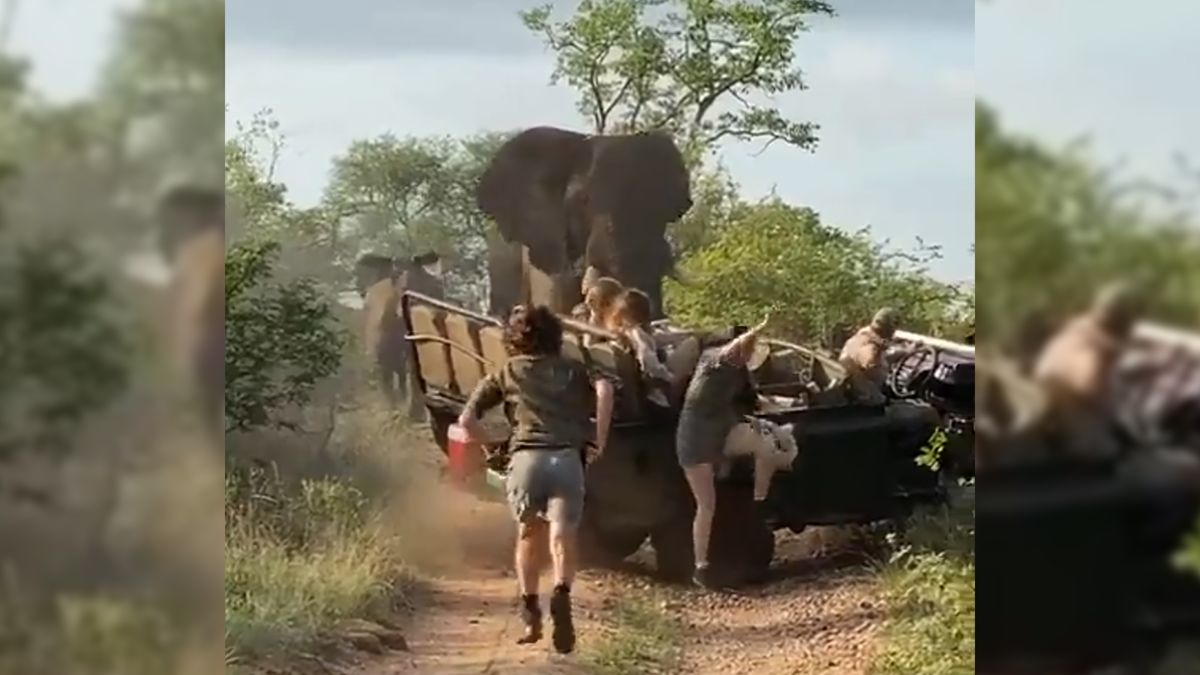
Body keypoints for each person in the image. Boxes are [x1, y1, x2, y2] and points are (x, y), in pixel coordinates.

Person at [456, 305, 615, 654]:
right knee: (562, 532)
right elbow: (604, 389)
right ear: (556, 335)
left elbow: (466, 420)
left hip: (526, 459)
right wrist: (598, 440)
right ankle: (561, 592)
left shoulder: (508, 371)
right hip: (567, 457)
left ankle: (531, 612)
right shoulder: (574, 370)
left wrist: (492, 446)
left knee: (528, 534)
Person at [675, 314, 771, 588]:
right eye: (747, 349)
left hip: (720, 435)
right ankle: (701, 567)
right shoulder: (711, 360)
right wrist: (757, 329)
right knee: (706, 505)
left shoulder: (738, 372)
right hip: (695, 439)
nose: (749, 354)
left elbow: (756, 401)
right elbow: (730, 351)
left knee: (764, 443)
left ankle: (760, 499)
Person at [1032, 283, 1140, 458]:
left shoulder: (1075, 330)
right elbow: (1089, 386)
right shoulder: (1098, 352)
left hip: (1048, 407)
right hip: (1072, 431)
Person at [609, 288, 701, 407]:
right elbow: (648, 360)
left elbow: (663, 338)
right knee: (695, 343)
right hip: (661, 386)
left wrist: (691, 332)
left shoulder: (632, 331)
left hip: (660, 382)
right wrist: (670, 378)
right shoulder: (636, 333)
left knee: (693, 339)